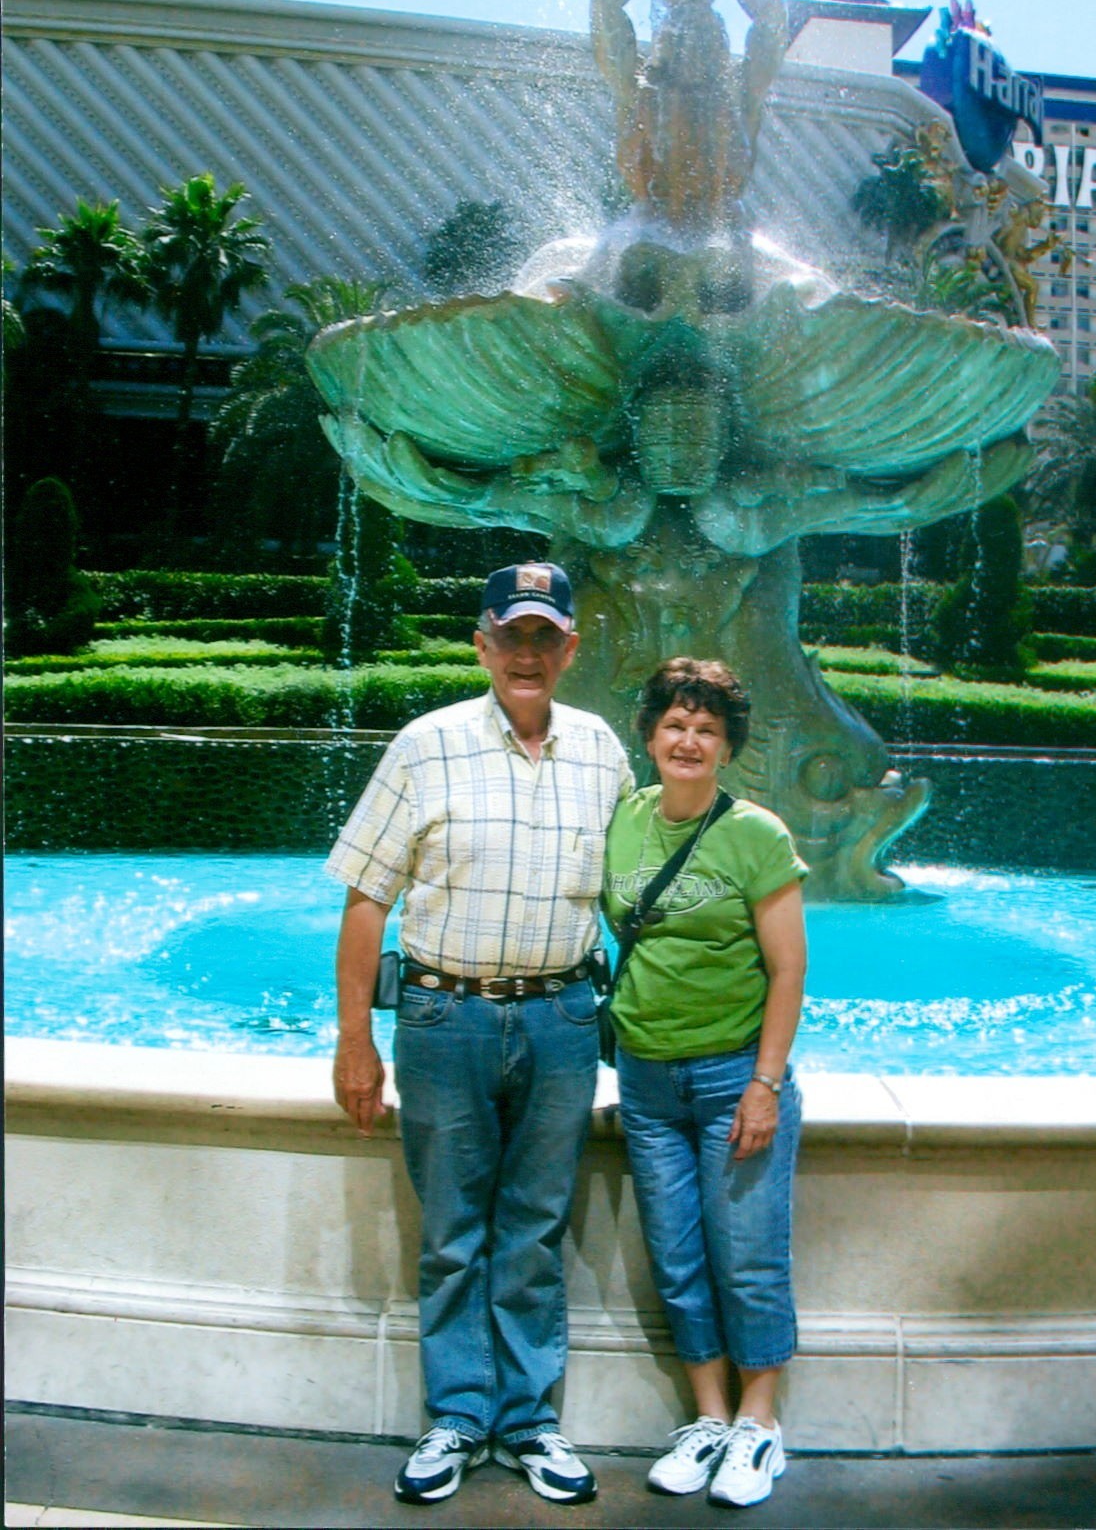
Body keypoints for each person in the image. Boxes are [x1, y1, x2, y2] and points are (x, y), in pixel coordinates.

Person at [327, 561, 632, 1508]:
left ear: (570, 647)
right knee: (454, 1232)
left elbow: (638, 891)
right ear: (481, 644)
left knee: (534, 1227)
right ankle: (458, 1415)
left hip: (562, 1018)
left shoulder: (601, 750)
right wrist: (353, 1041)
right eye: (511, 635)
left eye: (545, 636)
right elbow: (366, 898)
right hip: (442, 1016)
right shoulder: (425, 744)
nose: (526, 653)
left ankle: (529, 1420)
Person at [602, 657, 807, 1509]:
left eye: (706, 729)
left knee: (747, 1256)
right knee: (678, 1257)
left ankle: (760, 1423)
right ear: (650, 735)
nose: (688, 740)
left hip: (732, 1076)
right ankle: (709, 1418)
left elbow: (787, 968)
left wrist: (765, 1083)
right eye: (675, 724)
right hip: (646, 1081)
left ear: (727, 746)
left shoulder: (756, 833)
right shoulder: (623, 819)